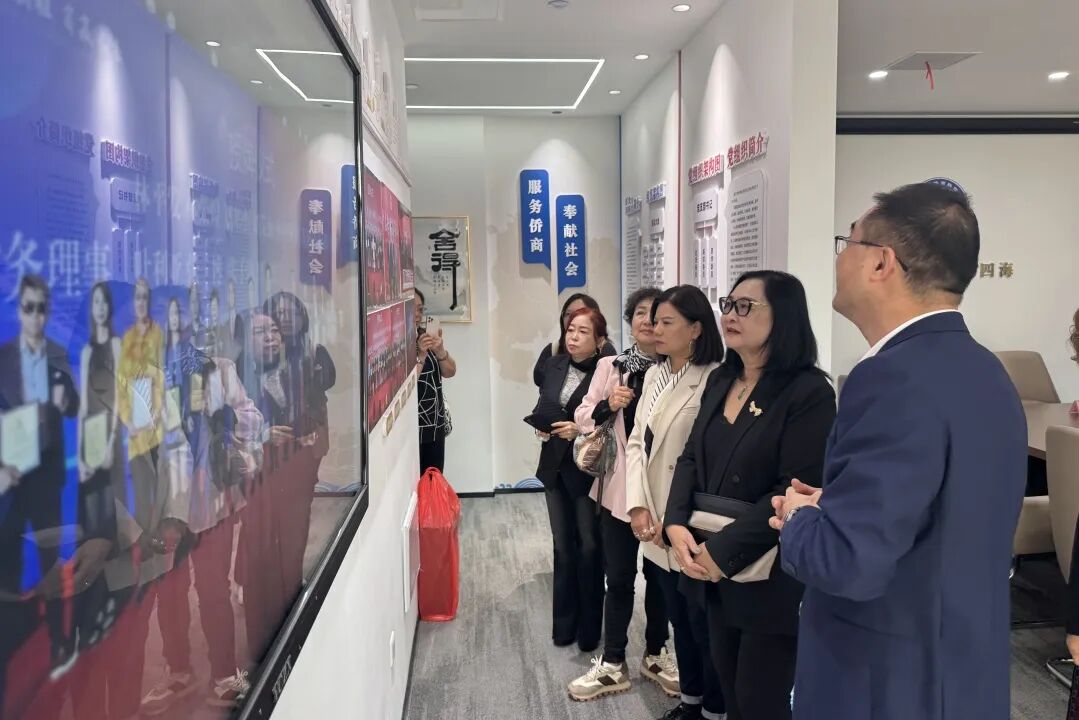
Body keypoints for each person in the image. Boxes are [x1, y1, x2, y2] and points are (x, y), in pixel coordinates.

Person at [771, 183, 1026, 720]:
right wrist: (837, 503)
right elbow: (941, 512)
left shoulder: (890, 378)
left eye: (848, 241)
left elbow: (847, 563)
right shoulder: (987, 370)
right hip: (958, 671)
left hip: (884, 681)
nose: (840, 257)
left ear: (881, 262)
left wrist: (798, 517)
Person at [664, 272, 835, 720]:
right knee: (728, 686)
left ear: (784, 317)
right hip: (709, 562)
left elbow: (792, 490)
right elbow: (690, 456)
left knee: (759, 699)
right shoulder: (722, 378)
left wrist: (720, 554)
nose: (730, 315)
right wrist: (675, 522)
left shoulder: (809, 392)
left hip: (766, 570)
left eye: (746, 306)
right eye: (728, 304)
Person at [566, 287, 676, 702]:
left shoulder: (678, 370)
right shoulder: (610, 366)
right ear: (630, 322)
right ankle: (614, 661)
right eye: (641, 314)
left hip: (662, 492)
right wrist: (607, 405)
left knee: (661, 577)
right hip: (618, 490)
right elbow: (581, 416)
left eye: (657, 315)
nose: (648, 321)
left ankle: (656, 652)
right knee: (619, 577)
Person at [624, 285, 725, 720]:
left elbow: (704, 459)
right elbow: (636, 442)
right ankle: (690, 700)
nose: (655, 329)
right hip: (652, 518)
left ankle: (714, 709)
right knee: (677, 619)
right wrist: (637, 506)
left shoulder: (716, 378)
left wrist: (672, 516)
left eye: (667, 322)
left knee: (703, 623)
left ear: (696, 329)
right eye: (654, 321)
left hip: (688, 520)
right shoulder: (654, 374)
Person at [0, 274, 82, 698]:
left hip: (47, 477)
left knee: (51, 565)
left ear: (48, 313)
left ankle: (59, 641)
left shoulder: (57, 354)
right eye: (27, 308)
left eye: (40, 309)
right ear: (20, 311)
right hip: (13, 479)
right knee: (8, 563)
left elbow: (74, 405)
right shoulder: (3, 358)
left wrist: (66, 400)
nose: (34, 316)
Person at [530, 307, 609, 652]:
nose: (573, 337)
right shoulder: (555, 364)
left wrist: (580, 429)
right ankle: (564, 627)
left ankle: (589, 631)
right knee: (562, 546)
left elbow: (612, 421)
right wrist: (542, 427)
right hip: (554, 465)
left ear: (600, 340)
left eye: (583, 332)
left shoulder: (608, 370)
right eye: (570, 330)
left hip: (587, 468)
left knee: (589, 547)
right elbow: (544, 404)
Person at [533, 293, 614, 388]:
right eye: (568, 314)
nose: (573, 318)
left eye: (580, 312)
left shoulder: (606, 351)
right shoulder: (553, 349)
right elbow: (539, 380)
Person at [414, 289, 456, 473]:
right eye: (412, 309)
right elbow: (408, 387)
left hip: (435, 424)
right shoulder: (397, 343)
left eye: (420, 309)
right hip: (414, 428)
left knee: (434, 479)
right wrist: (421, 355)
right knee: (416, 482)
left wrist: (440, 351)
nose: (417, 314)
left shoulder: (425, 336)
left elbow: (450, 372)